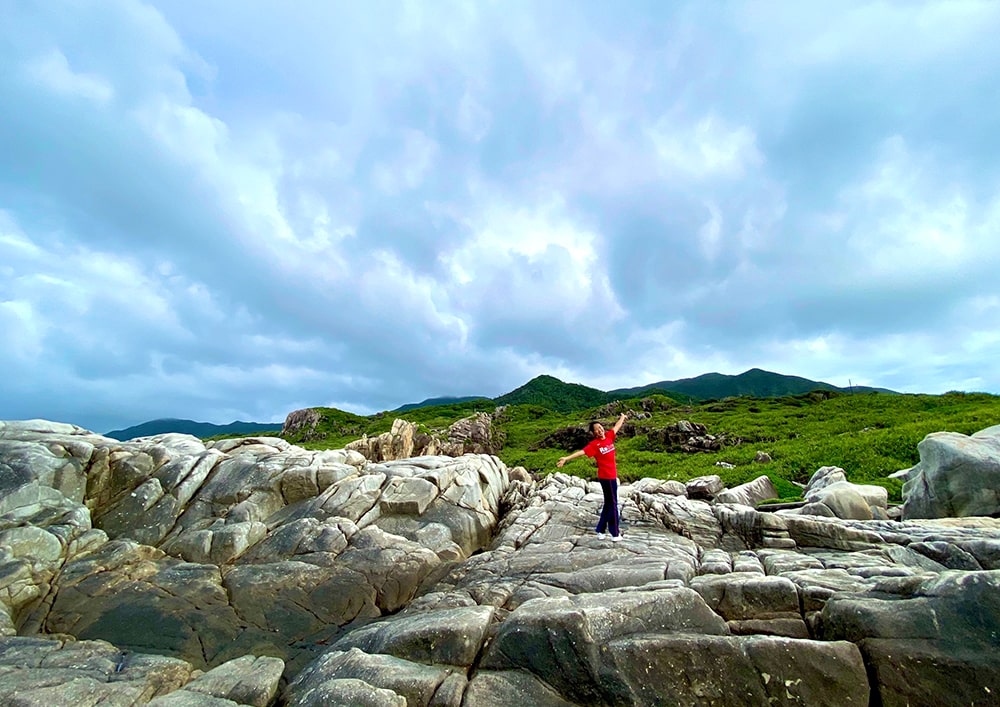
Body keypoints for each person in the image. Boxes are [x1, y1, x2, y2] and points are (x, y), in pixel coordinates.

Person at [557, 412, 627, 541]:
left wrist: (622, 417)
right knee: (613, 504)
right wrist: (566, 458)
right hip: (606, 477)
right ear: (594, 433)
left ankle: (600, 530)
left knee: (608, 503)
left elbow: (616, 427)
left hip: (612, 476)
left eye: (601, 428)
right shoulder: (594, 445)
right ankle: (615, 533)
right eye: (597, 430)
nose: (600, 431)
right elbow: (581, 452)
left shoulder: (609, 437)